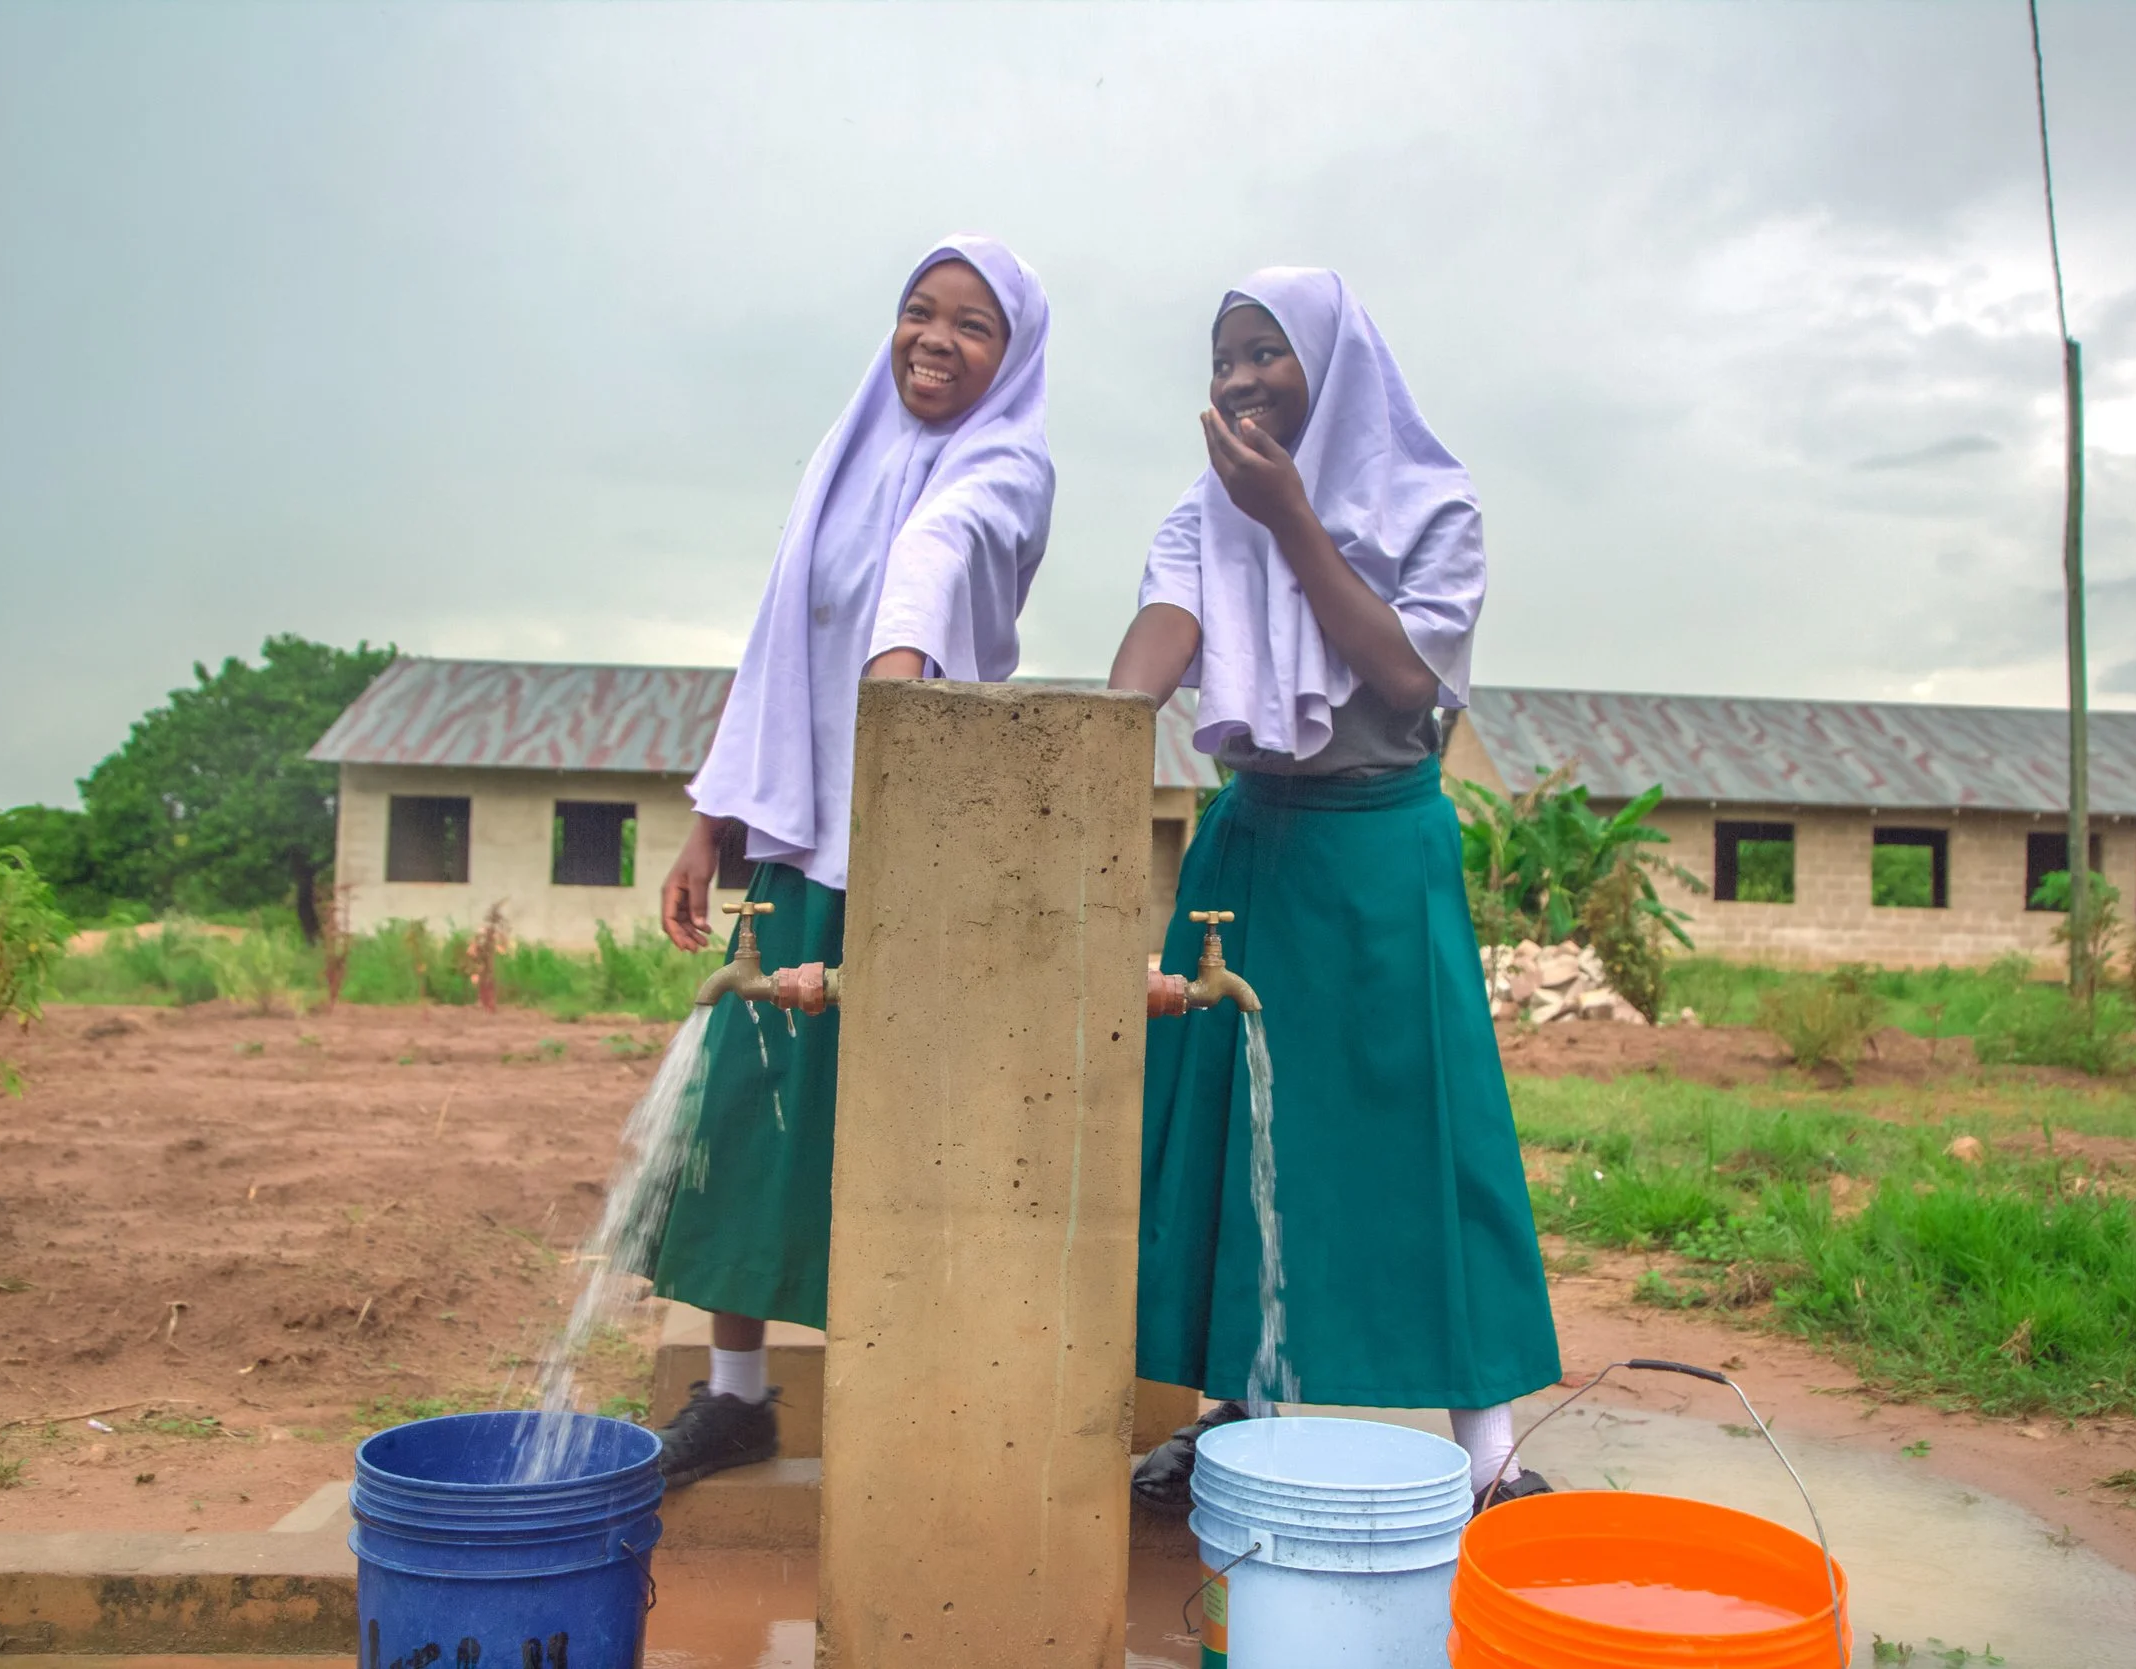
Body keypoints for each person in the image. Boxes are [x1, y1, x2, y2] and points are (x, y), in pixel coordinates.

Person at [1108, 267, 1560, 1513]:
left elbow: (1409, 685)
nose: (1240, 378)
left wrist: (1294, 518)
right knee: (1226, 1129)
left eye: (1267, 352)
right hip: (1248, 851)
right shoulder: (1202, 516)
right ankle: (1228, 1414)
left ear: (1334, 362)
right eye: (1222, 358)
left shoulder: (1434, 507)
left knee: (1430, 1137)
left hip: (1378, 853)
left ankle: (1492, 1457)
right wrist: (1084, 730)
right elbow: (1159, 640)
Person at [643, 235, 1054, 1487]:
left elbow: (939, 552)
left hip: (920, 846)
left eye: (972, 324)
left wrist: (899, 685)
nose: (935, 338)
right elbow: (780, 640)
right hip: (801, 837)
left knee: (916, 1128)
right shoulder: (846, 458)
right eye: (917, 312)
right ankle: (736, 1395)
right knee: (750, 1112)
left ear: (1015, 351)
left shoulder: (1008, 462)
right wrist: (717, 813)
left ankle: (929, 1405)